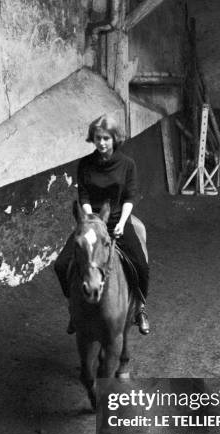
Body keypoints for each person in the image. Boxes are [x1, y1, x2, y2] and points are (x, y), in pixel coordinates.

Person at [54, 114, 150, 335]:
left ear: (115, 138)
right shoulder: (85, 164)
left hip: (117, 220)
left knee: (141, 266)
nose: (102, 143)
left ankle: (140, 309)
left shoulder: (127, 165)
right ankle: (74, 308)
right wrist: (92, 223)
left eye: (106, 138)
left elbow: (129, 197)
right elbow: (84, 196)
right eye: (98, 138)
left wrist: (122, 222)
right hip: (91, 221)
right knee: (61, 265)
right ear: (93, 139)